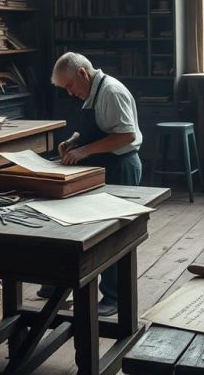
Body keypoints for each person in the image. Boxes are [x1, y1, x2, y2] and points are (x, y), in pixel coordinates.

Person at [48, 52, 143, 316]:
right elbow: (98, 128)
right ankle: (68, 281)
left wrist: (85, 151)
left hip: (121, 166)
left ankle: (114, 296)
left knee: (114, 234)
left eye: (69, 86)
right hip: (103, 165)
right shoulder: (91, 91)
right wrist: (75, 141)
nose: (69, 93)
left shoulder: (111, 91)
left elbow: (125, 134)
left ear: (82, 74)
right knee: (90, 230)